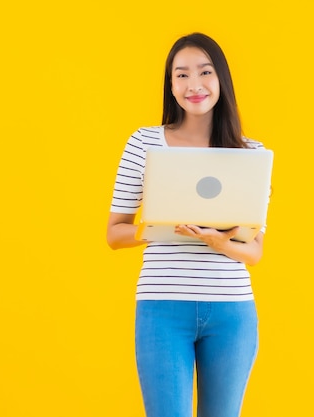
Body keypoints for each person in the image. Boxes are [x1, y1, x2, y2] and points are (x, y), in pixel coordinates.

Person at [106, 32, 269, 417]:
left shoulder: (251, 154)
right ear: (171, 85)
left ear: (221, 79)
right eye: (181, 75)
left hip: (232, 312)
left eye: (204, 72)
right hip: (163, 308)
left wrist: (217, 241)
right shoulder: (144, 143)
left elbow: (255, 250)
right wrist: (162, 226)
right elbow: (115, 233)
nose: (193, 84)